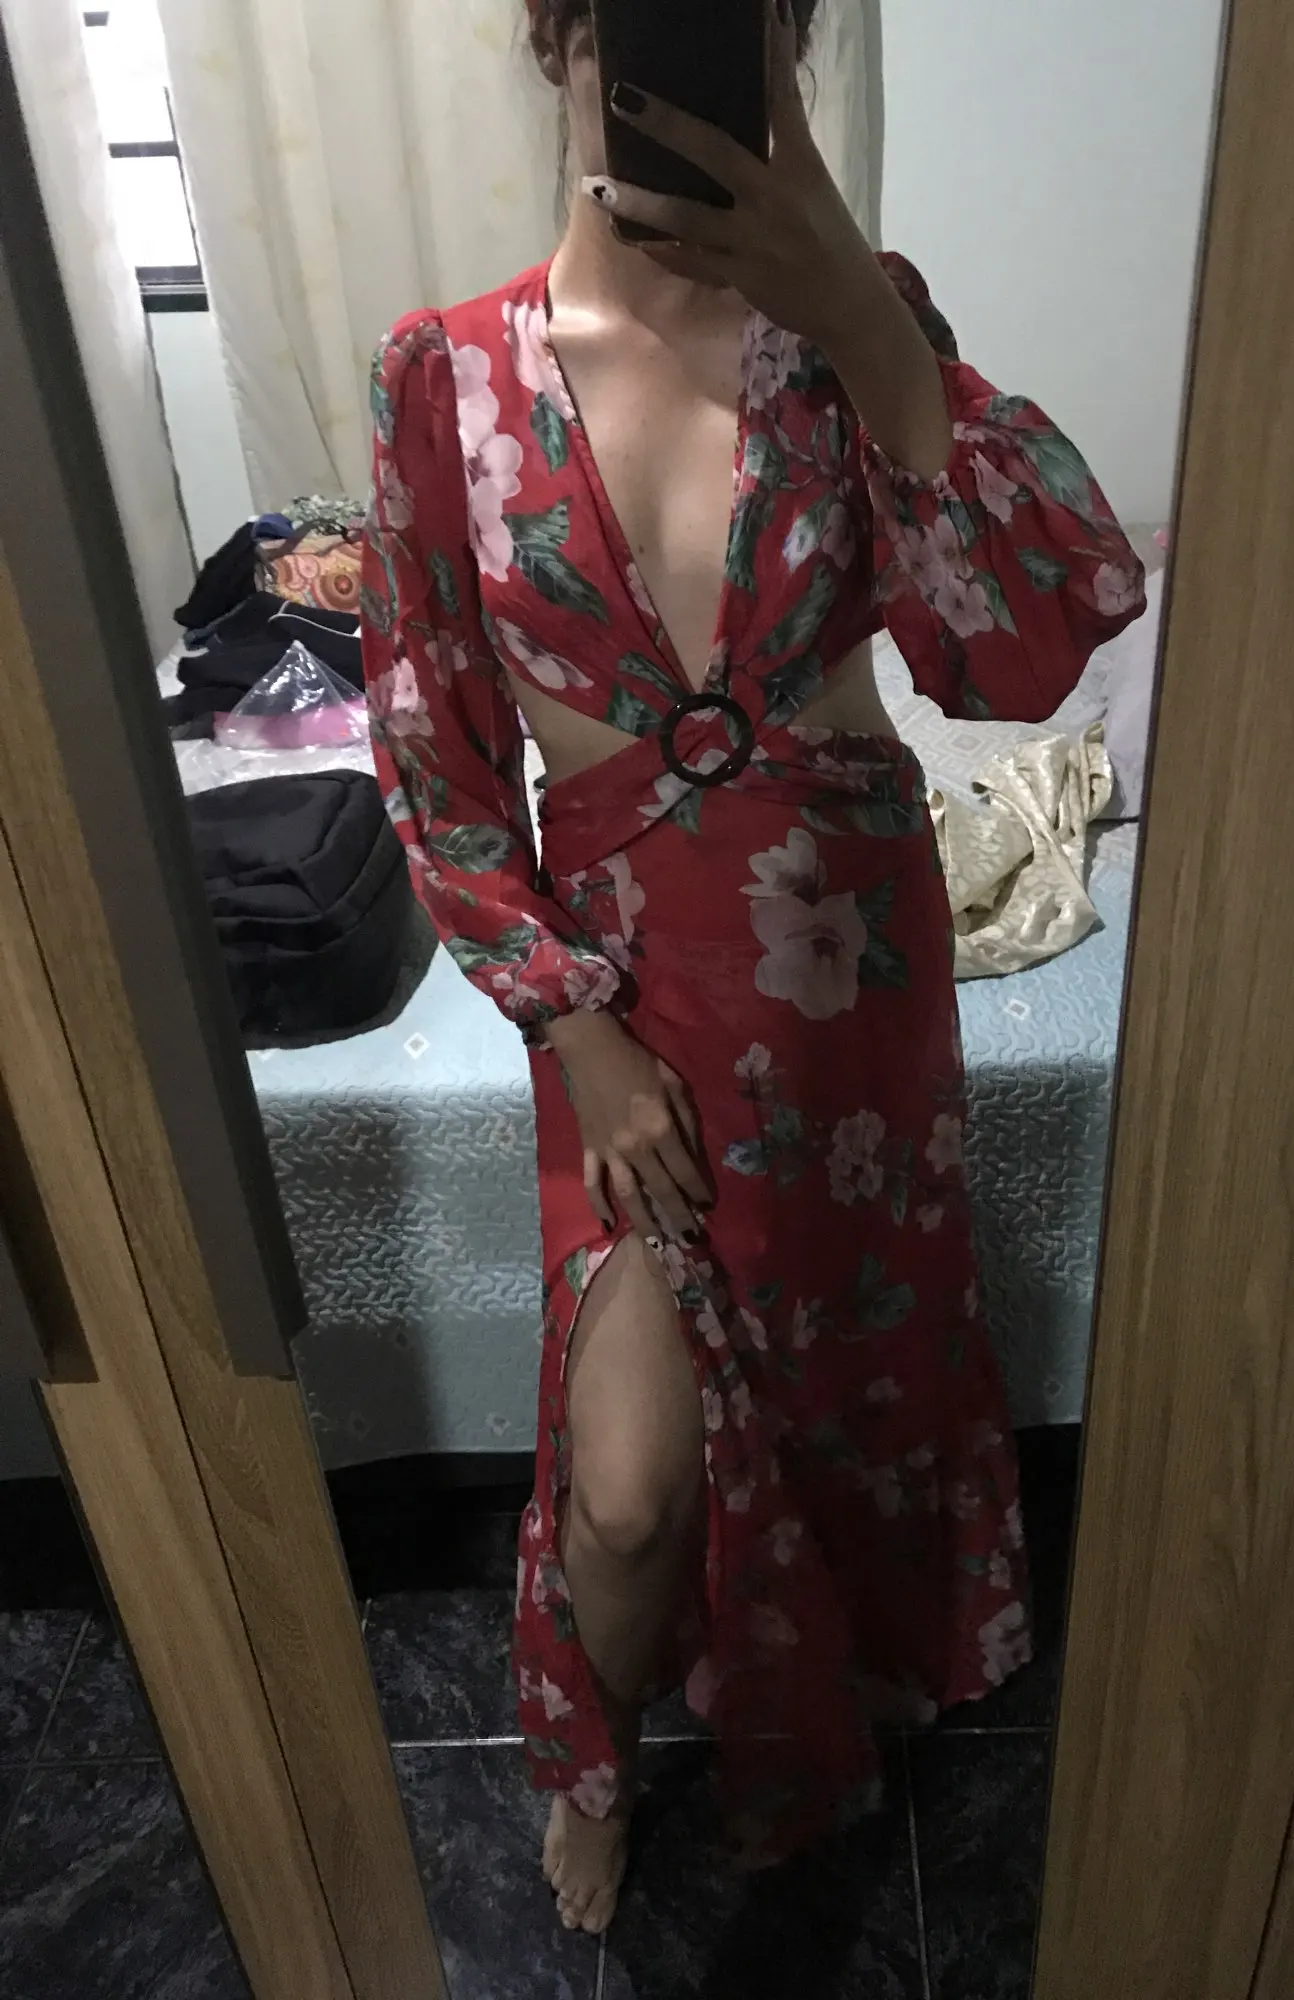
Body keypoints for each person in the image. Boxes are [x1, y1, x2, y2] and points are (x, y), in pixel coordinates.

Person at [362, 0, 1145, 1936]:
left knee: (855, 1358)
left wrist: (865, 318)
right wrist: (577, 1031)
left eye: (745, 22)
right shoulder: (444, 375)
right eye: (633, 25)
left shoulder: (858, 328)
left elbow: (1024, 649)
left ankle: (844, 1668)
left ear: (789, 45)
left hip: (852, 962)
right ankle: (599, 1752)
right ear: (558, 39)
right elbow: (435, 763)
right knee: (630, 1485)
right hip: (625, 993)